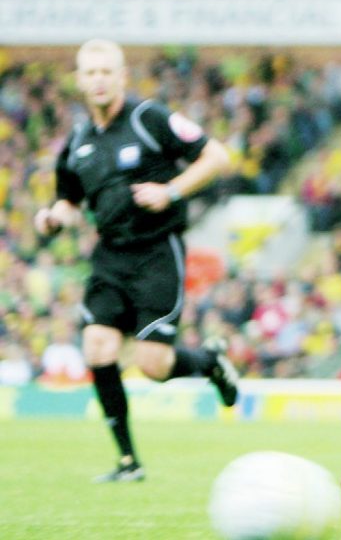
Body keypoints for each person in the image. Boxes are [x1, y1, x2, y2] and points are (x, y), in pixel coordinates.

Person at [33, 39, 239, 483]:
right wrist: (51, 219)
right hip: (110, 255)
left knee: (154, 365)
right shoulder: (77, 141)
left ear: (123, 76)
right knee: (97, 347)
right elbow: (69, 202)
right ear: (80, 81)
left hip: (156, 251)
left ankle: (209, 364)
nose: (100, 80)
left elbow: (217, 156)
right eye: (91, 73)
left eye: (107, 71)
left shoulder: (149, 118)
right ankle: (129, 462)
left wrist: (171, 191)